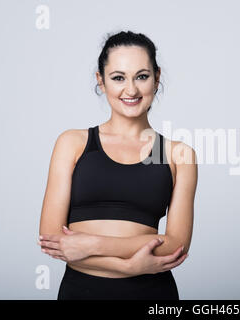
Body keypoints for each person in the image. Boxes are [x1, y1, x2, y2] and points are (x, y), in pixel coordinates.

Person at [38, 30, 198, 300]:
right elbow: (53, 239)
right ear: (101, 81)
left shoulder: (177, 153)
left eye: (142, 76)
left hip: (152, 294)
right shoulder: (73, 142)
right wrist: (128, 266)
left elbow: (176, 245)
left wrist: (92, 244)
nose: (131, 89)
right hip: (81, 292)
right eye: (118, 78)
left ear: (156, 78)